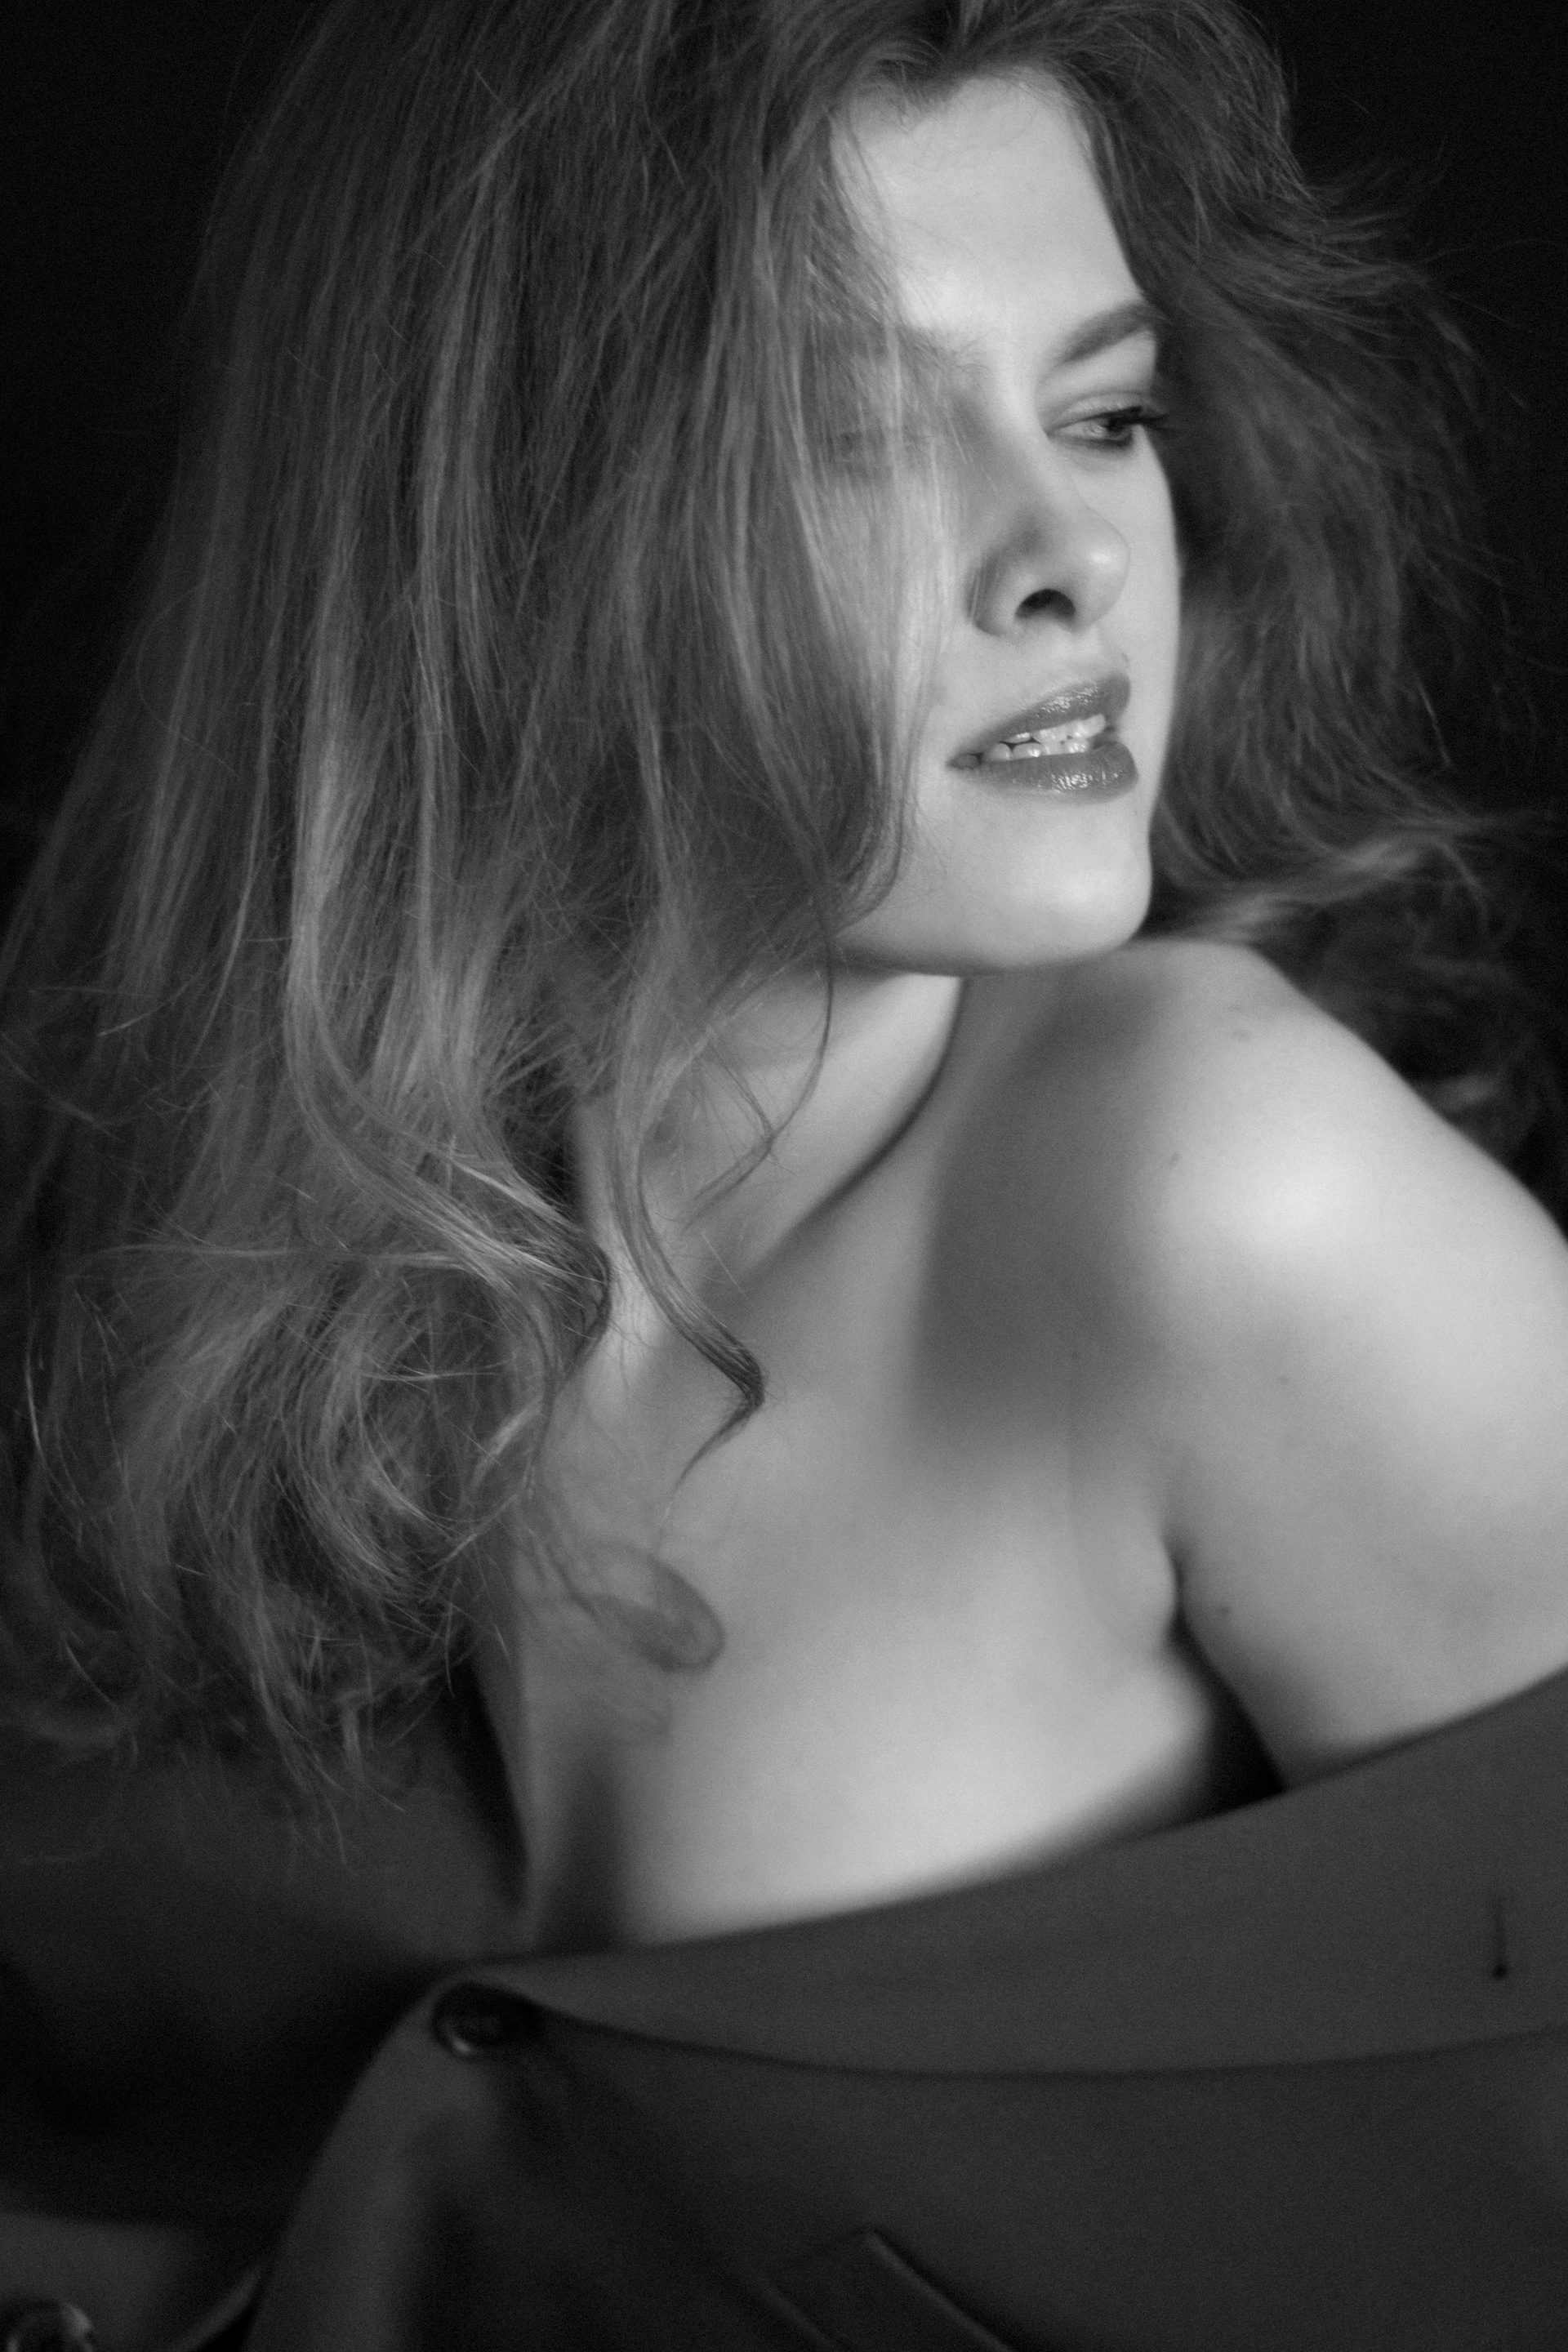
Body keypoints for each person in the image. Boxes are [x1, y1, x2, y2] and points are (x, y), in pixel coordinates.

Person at [3, 0, 1568, 2345]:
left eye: (1108, 414)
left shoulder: (1227, 1197)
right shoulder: (173, 1183)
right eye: (858, 442)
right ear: (491, 539)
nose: (1070, 559)